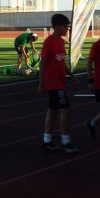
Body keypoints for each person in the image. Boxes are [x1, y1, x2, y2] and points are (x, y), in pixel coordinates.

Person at [38, 13, 78, 154]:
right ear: (57, 27)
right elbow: (43, 63)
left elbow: (61, 62)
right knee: (65, 108)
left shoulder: (61, 41)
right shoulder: (49, 42)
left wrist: (71, 75)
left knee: (53, 110)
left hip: (60, 81)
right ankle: (65, 141)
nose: (67, 29)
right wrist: (41, 82)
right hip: (53, 82)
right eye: (65, 26)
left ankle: (47, 140)